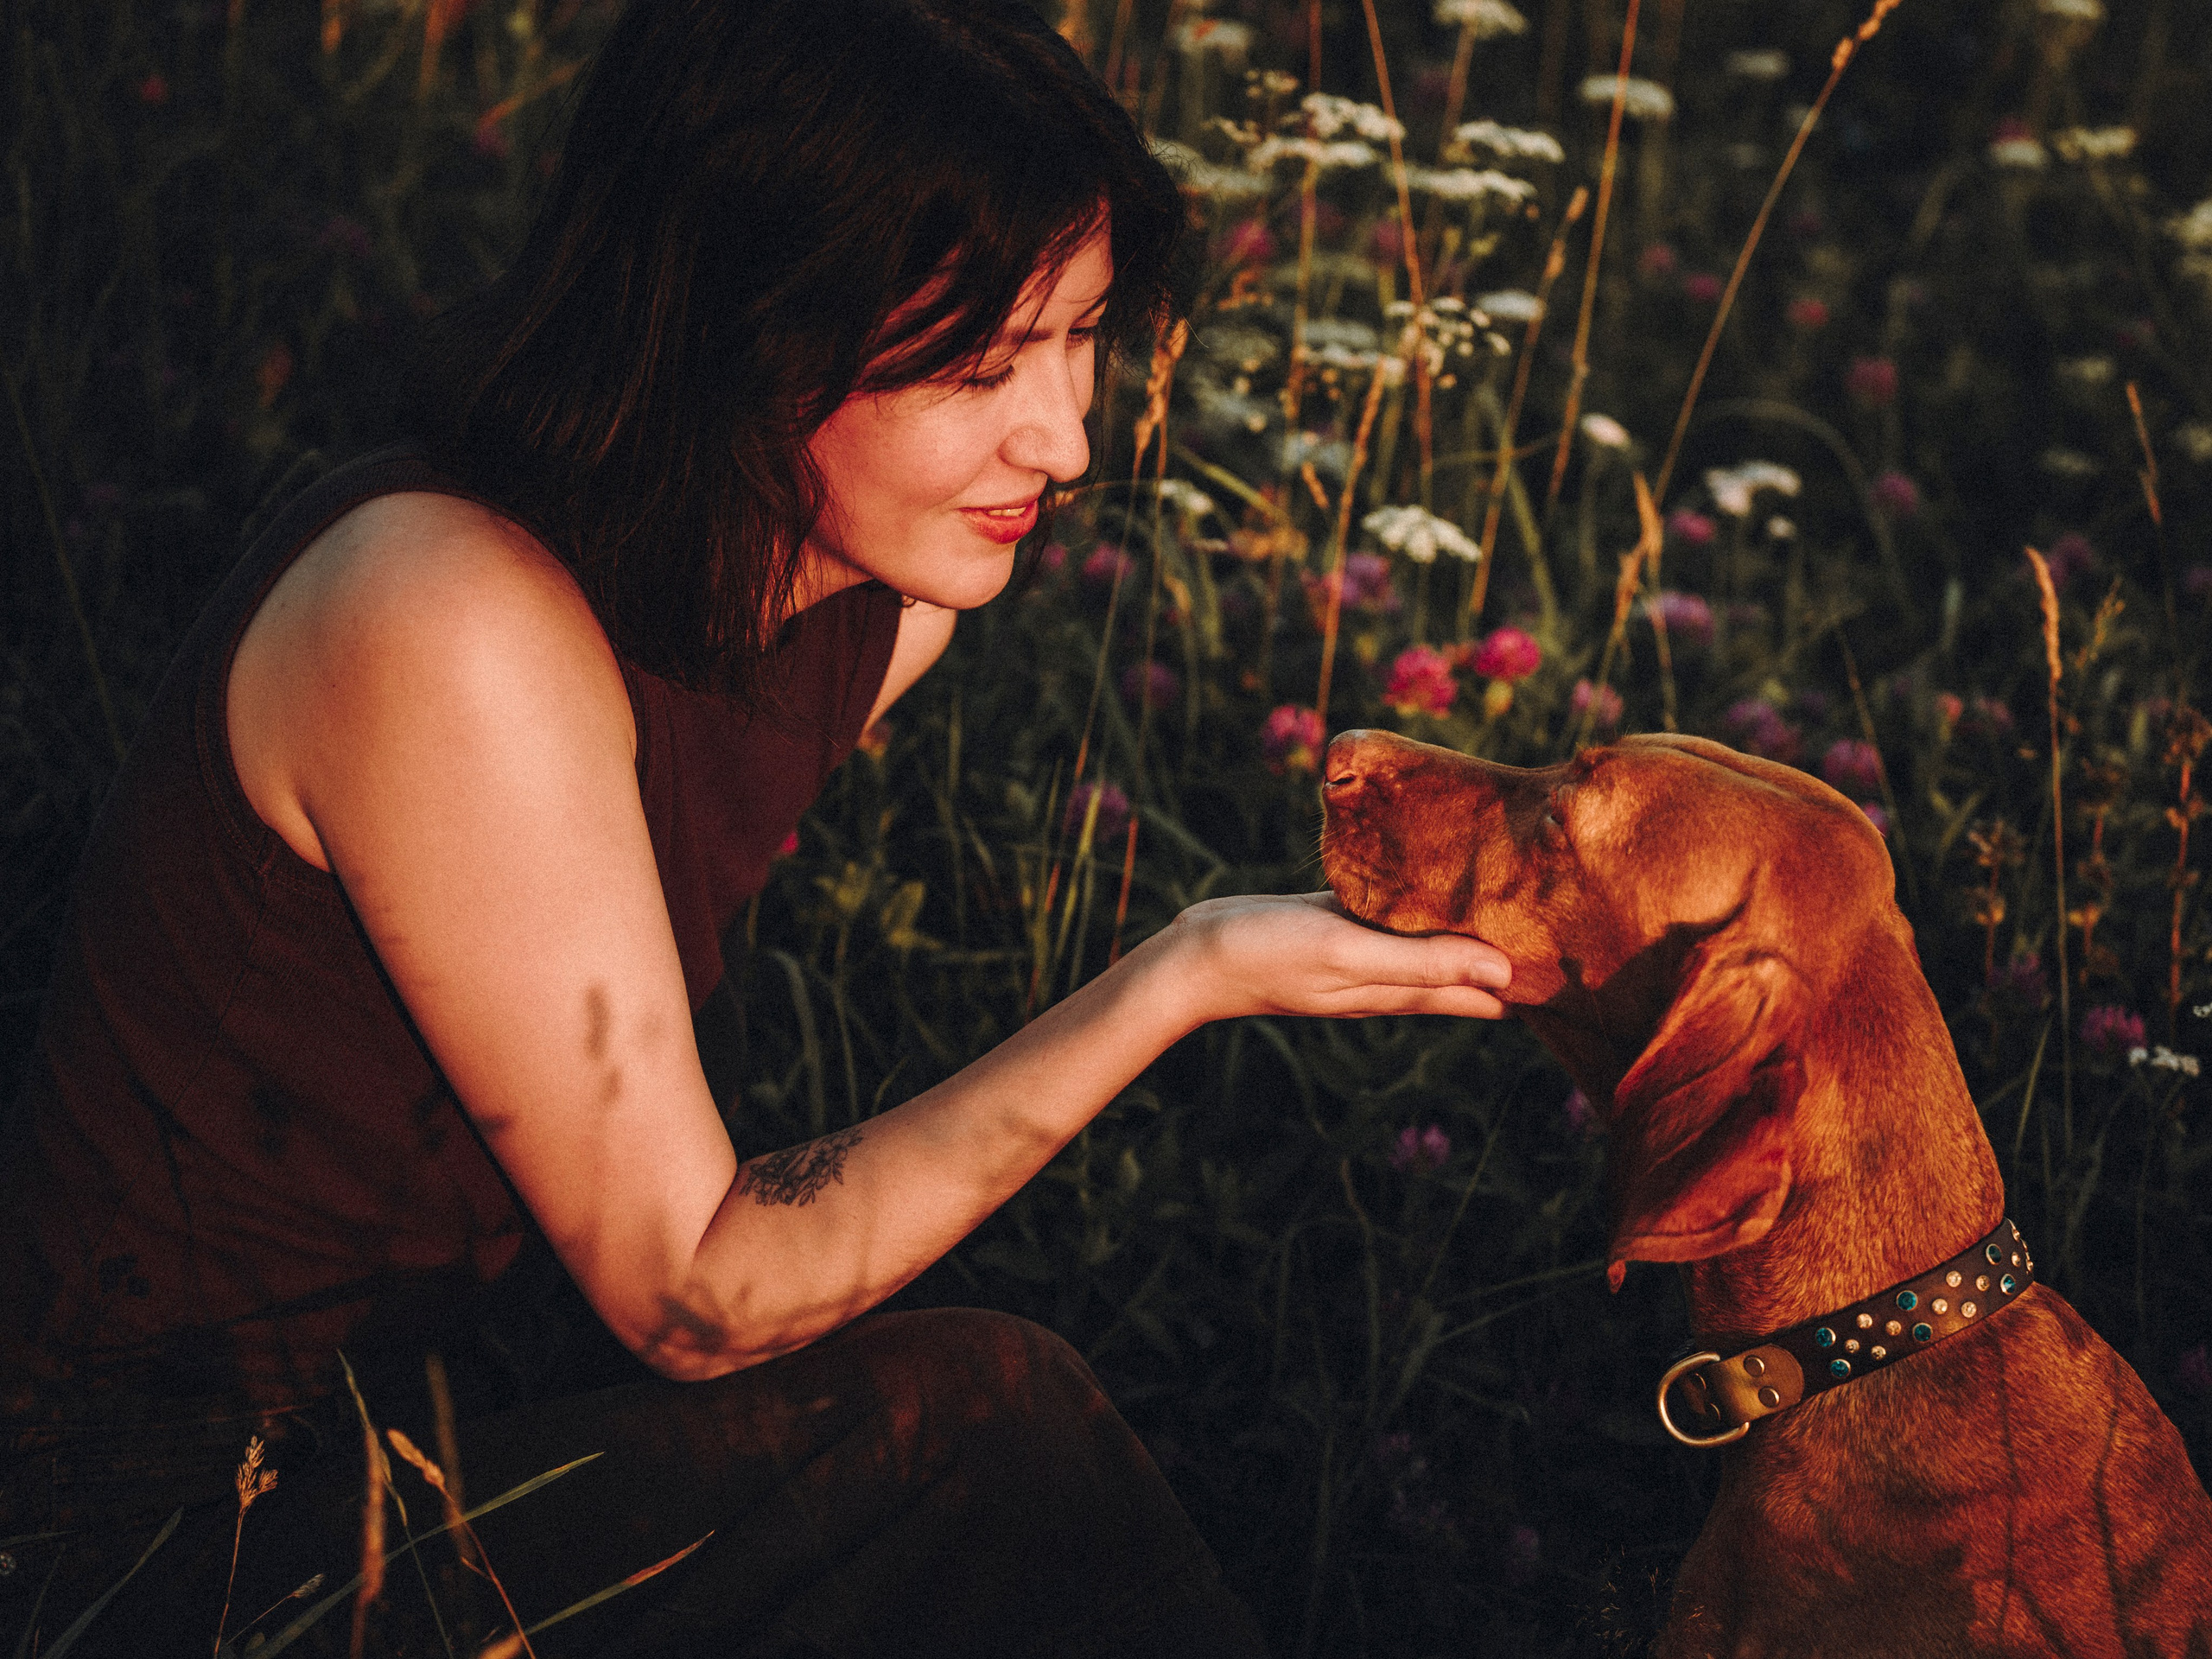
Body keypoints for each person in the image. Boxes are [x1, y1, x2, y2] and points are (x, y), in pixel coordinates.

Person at [0, 2, 1511, 1652]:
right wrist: (1183, 973)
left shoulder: (869, 602)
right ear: (744, 332)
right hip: (149, 1541)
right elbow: (698, 1292)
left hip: (444, 1432)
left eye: (1081, 336)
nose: (1065, 438)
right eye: (980, 363)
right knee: (981, 1429)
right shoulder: (445, 621)